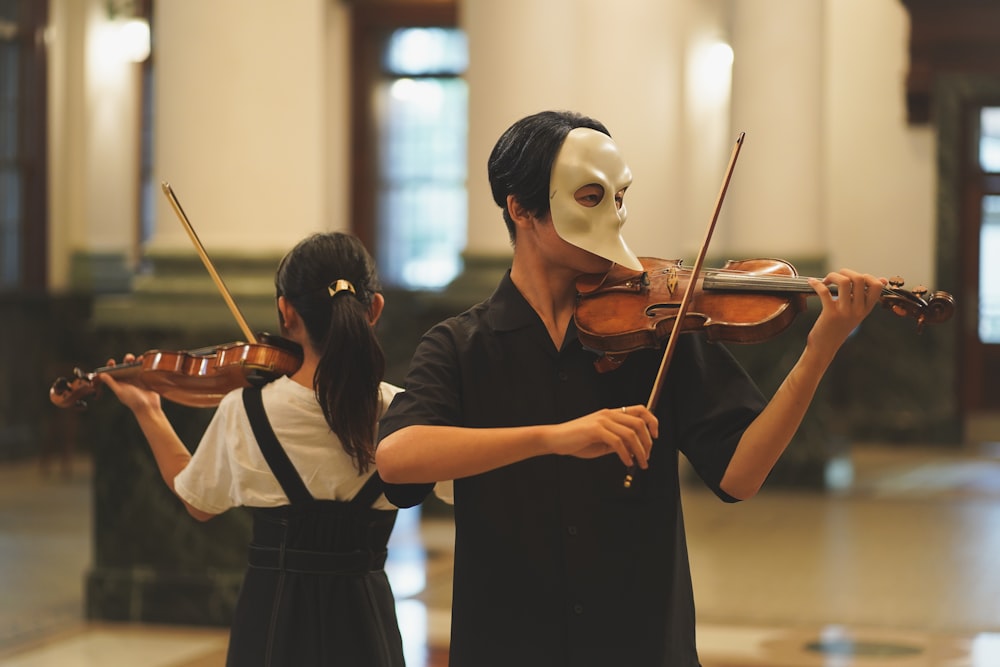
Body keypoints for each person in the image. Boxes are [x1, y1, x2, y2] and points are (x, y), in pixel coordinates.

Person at [375, 110, 886, 666]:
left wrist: (820, 349)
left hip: (639, 642)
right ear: (520, 209)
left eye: (619, 197)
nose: (615, 217)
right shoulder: (460, 344)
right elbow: (398, 458)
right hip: (509, 641)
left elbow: (741, 474)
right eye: (591, 197)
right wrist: (554, 437)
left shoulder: (657, 327)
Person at [101, 232, 406, 667]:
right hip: (366, 626)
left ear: (286, 314)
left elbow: (197, 501)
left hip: (273, 623)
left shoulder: (246, 410)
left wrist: (149, 410)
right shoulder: (403, 411)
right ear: (373, 309)